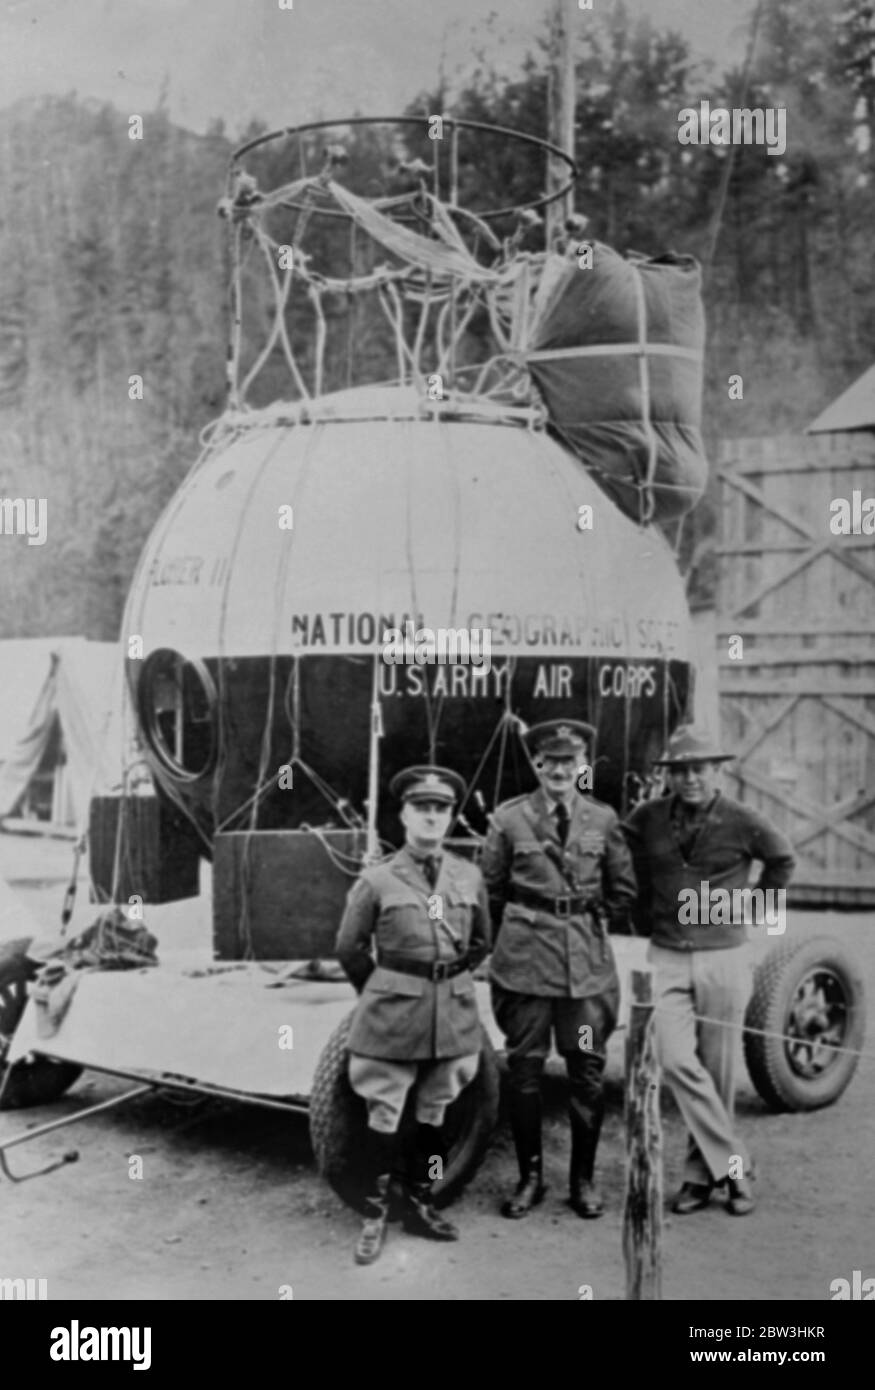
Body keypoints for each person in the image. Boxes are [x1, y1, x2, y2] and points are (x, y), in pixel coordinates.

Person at [622, 725, 796, 1217]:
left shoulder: (744, 820)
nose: (690, 778)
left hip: (724, 957)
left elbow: (783, 860)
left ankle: (702, 1178)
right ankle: (736, 1165)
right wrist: (640, 910)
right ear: (669, 776)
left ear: (718, 771)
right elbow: (620, 857)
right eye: (680, 770)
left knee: (717, 1073)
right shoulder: (647, 817)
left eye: (699, 768)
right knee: (676, 1060)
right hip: (667, 956)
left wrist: (747, 910)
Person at [480, 720, 637, 1219]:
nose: (560, 771)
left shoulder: (603, 820)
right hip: (525, 968)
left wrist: (586, 918)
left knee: (587, 1071)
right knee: (524, 1071)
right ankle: (530, 1178)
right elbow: (491, 891)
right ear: (537, 765)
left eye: (571, 761)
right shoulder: (509, 821)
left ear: (583, 766)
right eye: (551, 761)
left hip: (585, 975)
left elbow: (623, 888)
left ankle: (583, 1181)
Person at [335, 764, 490, 1265]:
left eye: (440, 809)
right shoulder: (377, 879)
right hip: (395, 1011)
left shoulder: (468, 876)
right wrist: (384, 990)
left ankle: (419, 1200)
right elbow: (349, 948)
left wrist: (449, 981)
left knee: (436, 1109)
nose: (430, 817)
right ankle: (375, 1213)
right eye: (420, 807)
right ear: (402, 815)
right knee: (383, 1109)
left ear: (450, 817)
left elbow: (481, 941)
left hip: (452, 1010)